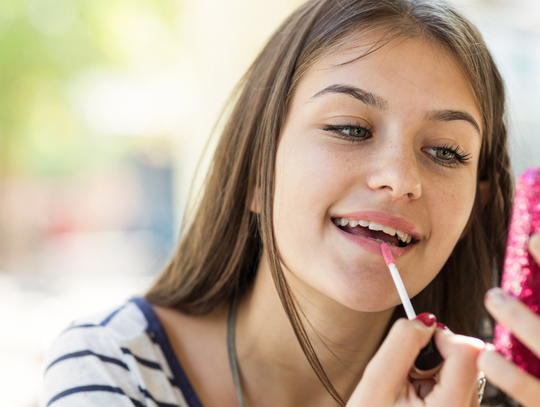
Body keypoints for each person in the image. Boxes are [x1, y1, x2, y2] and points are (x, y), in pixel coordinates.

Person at [39, 0, 538, 406]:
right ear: (256, 170)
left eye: (446, 152)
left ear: (480, 199)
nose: (400, 179)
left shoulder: (506, 382)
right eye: (349, 129)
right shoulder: (114, 367)